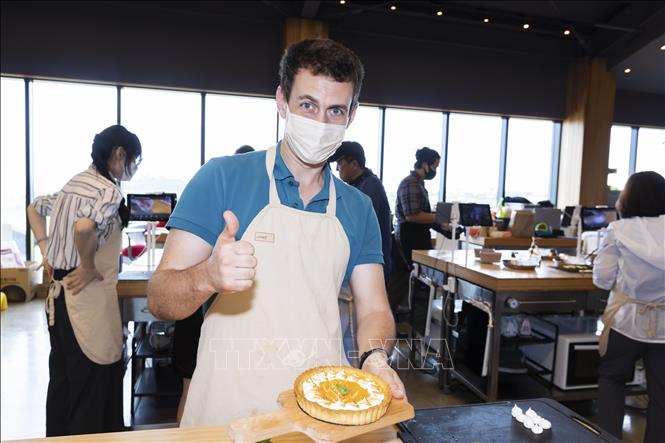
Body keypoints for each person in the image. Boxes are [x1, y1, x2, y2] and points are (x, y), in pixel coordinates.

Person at [147, 38, 405, 427]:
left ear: (351, 115)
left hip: (321, 409)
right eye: (308, 105)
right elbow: (160, 298)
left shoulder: (358, 208)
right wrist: (207, 276)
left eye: (335, 110)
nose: (320, 123)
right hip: (228, 408)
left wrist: (374, 357)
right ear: (282, 101)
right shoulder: (222, 178)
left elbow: (374, 309)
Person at [27, 124, 142, 436]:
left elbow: (35, 207)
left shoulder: (75, 183)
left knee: (64, 381)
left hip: (60, 298)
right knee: (92, 384)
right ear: (119, 154)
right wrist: (89, 265)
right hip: (88, 299)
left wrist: (45, 249)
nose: (134, 167)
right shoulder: (108, 191)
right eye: (134, 159)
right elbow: (83, 228)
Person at [593, 171, 665, 443]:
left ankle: (608, 439)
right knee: (661, 395)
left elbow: (602, 279)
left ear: (628, 198)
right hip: (664, 328)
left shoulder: (619, 230)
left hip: (626, 322)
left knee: (612, 380)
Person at [330, 141, 392, 283]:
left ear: (354, 164)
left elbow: (355, 228)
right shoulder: (360, 185)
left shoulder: (369, 187)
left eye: (340, 163)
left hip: (369, 266)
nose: (337, 169)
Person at [394, 147, 440, 266]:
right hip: (410, 238)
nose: (435, 170)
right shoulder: (411, 183)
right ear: (424, 164)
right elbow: (412, 216)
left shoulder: (419, 184)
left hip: (417, 237)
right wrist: (440, 216)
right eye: (434, 166)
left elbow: (422, 215)